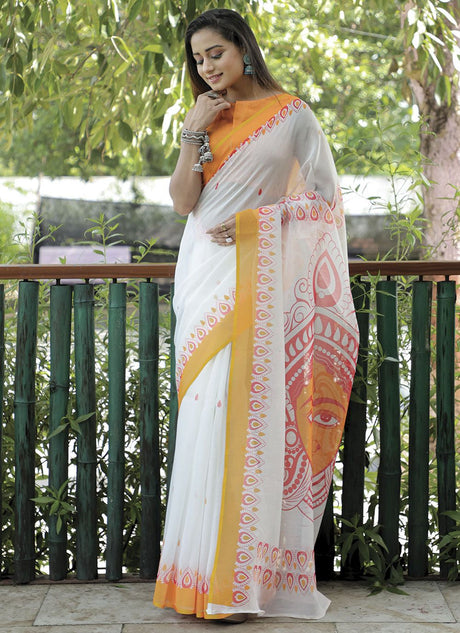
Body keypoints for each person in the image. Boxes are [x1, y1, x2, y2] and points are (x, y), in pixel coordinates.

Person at [153, 8, 359, 623]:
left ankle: (238, 586)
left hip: (261, 281)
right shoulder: (204, 119)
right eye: (197, 59)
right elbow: (184, 204)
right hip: (205, 281)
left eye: (215, 53)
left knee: (245, 422)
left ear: (243, 47)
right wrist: (192, 131)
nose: (206, 67)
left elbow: (326, 202)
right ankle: (196, 582)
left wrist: (260, 223)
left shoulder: (293, 116)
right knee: (207, 418)